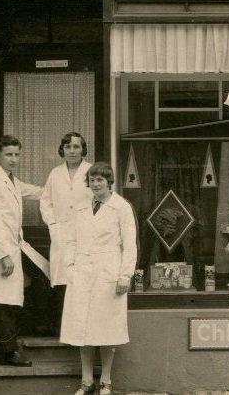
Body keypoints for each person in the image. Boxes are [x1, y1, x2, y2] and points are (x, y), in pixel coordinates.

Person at [60, 162, 137, 395]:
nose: (95, 184)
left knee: (106, 329)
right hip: (82, 273)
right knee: (83, 329)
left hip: (109, 274)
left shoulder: (121, 207)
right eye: (92, 180)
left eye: (100, 180)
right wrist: (71, 267)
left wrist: (125, 275)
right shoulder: (82, 207)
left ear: (109, 181)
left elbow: (130, 244)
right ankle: (86, 381)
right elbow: (71, 240)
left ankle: (106, 380)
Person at [0, 135, 43, 367]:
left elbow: (32, 191)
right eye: (9, 154)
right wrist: (4, 255)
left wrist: (63, 193)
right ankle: (8, 352)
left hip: (11, 249)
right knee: (1, 302)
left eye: (17, 154)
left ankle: (7, 350)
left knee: (8, 300)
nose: (14, 159)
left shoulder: (10, 179)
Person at [39, 132, 92, 332]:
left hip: (85, 234)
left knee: (82, 280)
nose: (72, 151)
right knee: (62, 281)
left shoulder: (91, 171)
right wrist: (53, 224)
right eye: (68, 147)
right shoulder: (55, 173)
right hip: (61, 234)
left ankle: (80, 329)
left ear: (83, 149)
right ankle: (63, 329)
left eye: (76, 147)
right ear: (62, 149)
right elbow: (46, 202)